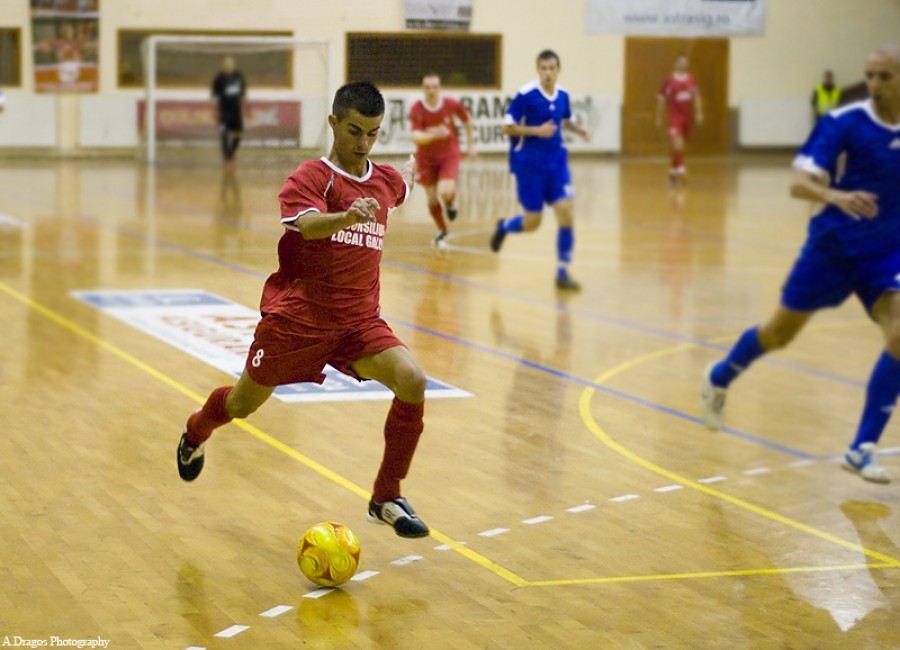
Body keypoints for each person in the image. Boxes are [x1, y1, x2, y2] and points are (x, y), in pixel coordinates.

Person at [177, 81, 431, 538]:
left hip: (358, 323)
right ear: (333, 123)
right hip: (299, 321)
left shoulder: (386, 180)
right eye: (354, 131)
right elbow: (309, 226)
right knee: (241, 404)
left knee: (412, 379)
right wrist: (348, 217)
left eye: (373, 133)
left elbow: (401, 188)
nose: (363, 143)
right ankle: (196, 431)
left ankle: (386, 495)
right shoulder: (312, 177)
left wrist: (411, 175)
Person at [701, 45, 900, 484]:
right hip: (833, 248)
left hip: (886, 253)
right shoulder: (844, 123)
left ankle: (861, 448)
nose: (875, 85)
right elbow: (798, 184)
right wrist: (837, 196)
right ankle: (719, 375)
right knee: (778, 334)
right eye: (869, 75)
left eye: (884, 76)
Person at [490, 49, 589, 291]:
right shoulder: (526, 95)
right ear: (538, 70)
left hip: (557, 164)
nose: (547, 73)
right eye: (543, 68)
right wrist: (536, 131)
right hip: (529, 166)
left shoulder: (563, 95)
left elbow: (563, 120)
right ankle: (504, 227)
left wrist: (579, 130)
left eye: (551, 68)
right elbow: (507, 128)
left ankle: (563, 272)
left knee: (566, 212)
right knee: (533, 222)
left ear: (558, 70)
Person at [409, 73, 475, 247]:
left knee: (445, 192)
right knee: (431, 199)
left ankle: (451, 202)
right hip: (425, 158)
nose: (431, 90)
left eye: (434, 87)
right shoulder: (417, 109)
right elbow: (416, 137)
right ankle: (442, 230)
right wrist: (434, 134)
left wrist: (470, 145)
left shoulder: (450, 104)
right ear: (423, 89)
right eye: (428, 87)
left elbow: (467, 120)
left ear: (439, 89)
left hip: (448, 154)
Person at [656, 55, 703, 184]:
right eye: (680, 62)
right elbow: (661, 98)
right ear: (675, 64)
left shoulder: (691, 79)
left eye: (685, 63)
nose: (683, 64)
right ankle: (681, 168)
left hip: (687, 117)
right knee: (678, 142)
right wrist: (658, 116)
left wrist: (699, 112)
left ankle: (672, 169)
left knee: (679, 146)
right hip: (674, 117)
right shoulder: (669, 80)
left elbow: (697, 96)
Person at [211, 56, 246, 163]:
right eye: (226, 63)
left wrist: (247, 108)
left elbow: (243, 94)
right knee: (224, 132)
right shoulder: (220, 78)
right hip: (224, 111)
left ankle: (231, 152)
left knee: (238, 133)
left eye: (230, 63)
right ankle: (226, 157)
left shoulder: (238, 77)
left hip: (236, 110)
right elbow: (214, 95)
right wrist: (216, 111)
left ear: (233, 65)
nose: (229, 65)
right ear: (224, 65)